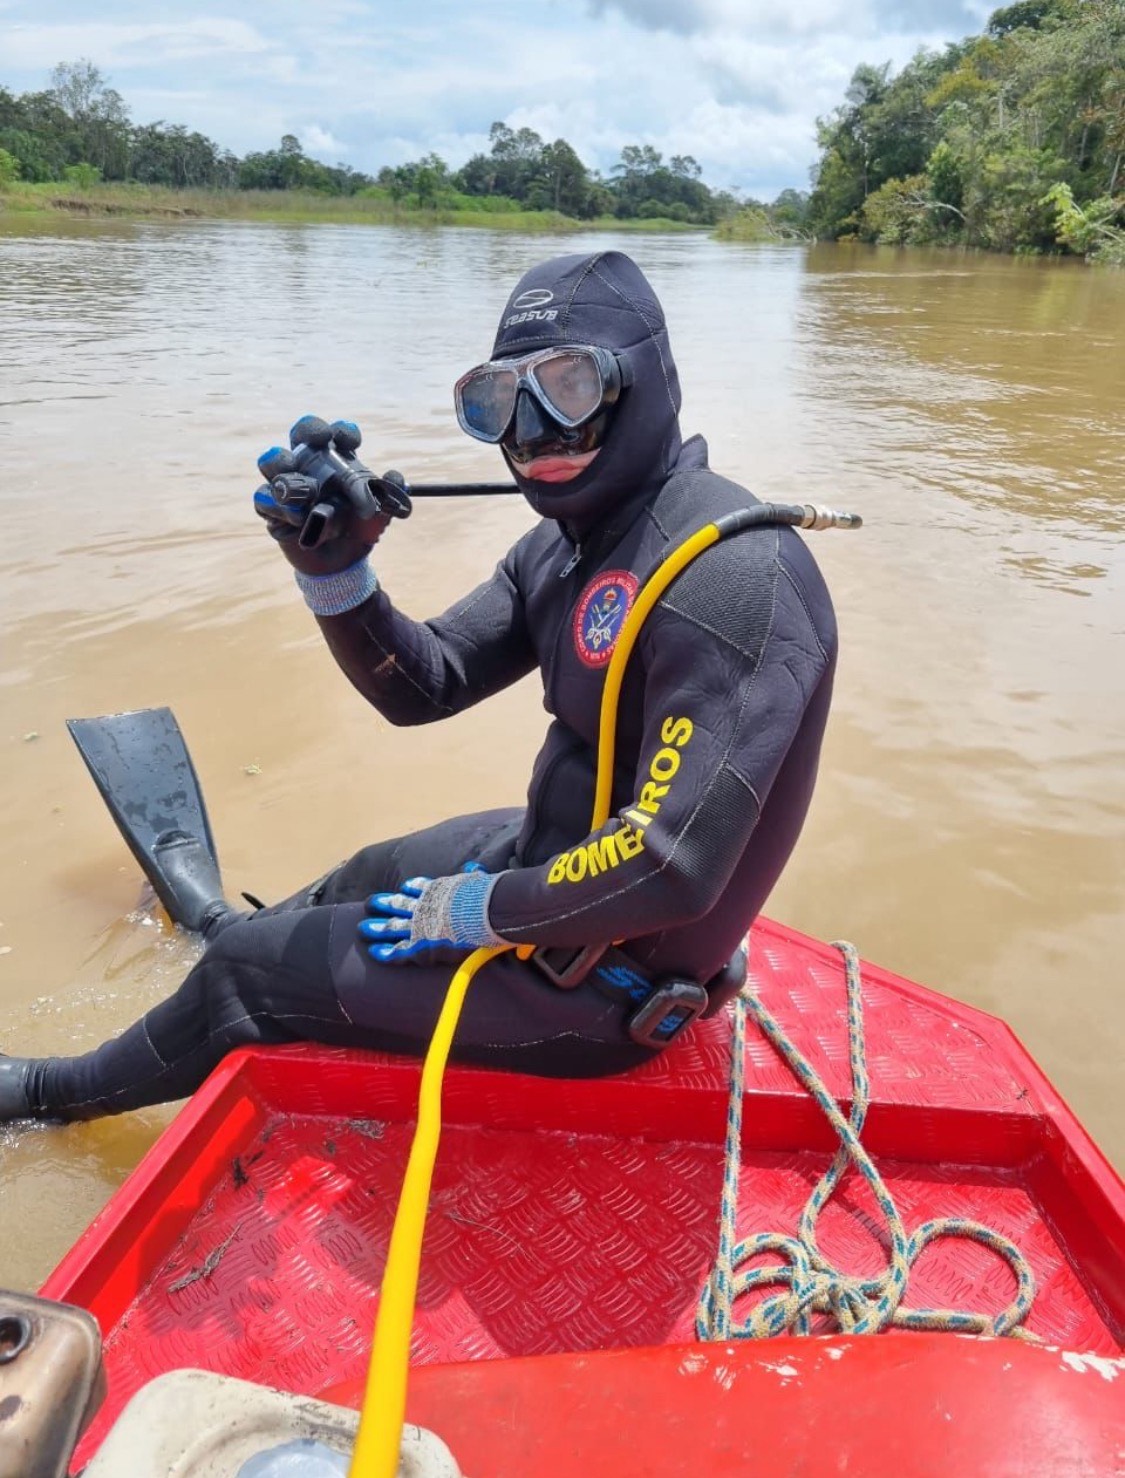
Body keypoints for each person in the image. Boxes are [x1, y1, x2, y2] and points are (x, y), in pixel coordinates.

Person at [0, 250, 837, 1125]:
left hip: (604, 986)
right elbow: (425, 685)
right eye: (497, 401)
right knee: (361, 874)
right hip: (551, 863)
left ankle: (51, 1095)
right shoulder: (567, 546)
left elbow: (670, 865)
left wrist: (476, 912)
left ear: (647, 382)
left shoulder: (733, 578)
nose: (535, 430)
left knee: (243, 984)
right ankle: (232, 932)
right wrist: (337, 575)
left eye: (569, 385)